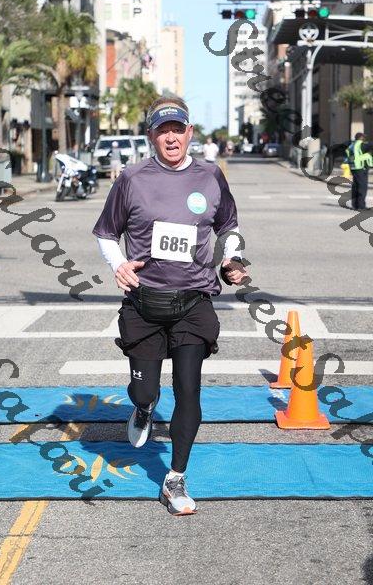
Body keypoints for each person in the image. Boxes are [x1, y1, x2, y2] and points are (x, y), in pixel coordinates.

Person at [93, 96, 247, 516]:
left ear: (190, 132)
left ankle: (175, 477)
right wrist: (119, 264)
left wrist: (231, 259)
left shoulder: (210, 176)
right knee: (145, 389)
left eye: (178, 129)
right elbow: (106, 233)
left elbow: (228, 227)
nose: (172, 137)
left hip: (193, 301)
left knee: (188, 391)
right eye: (163, 131)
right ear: (151, 136)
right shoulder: (132, 178)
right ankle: (143, 406)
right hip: (144, 303)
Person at [345, 133, 373, 210]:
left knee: (356, 186)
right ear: (361, 138)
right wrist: (369, 154)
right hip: (361, 168)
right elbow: (370, 145)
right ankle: (361, 206)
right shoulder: (361, 145)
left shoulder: (352, 145)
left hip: (354, 168)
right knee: (362, 187)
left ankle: (355, 205)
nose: (365, 139)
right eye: (364, 137)